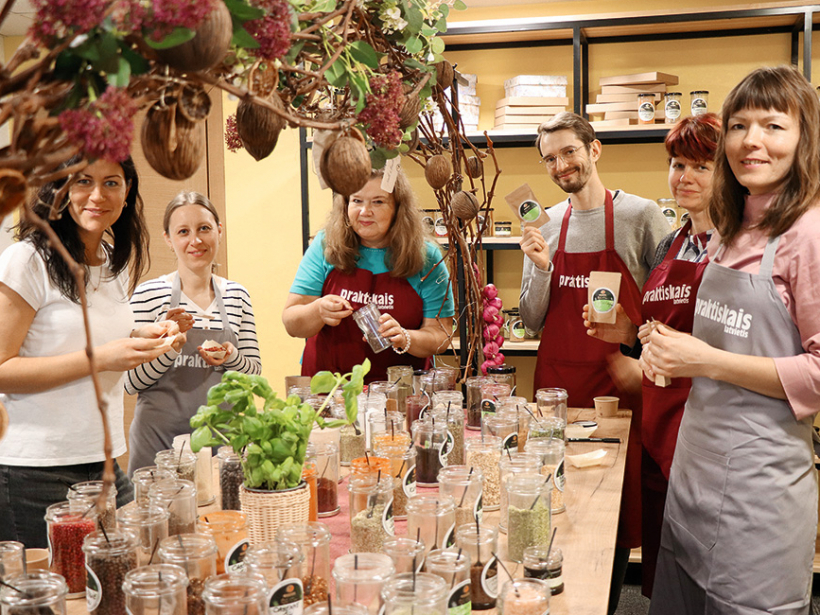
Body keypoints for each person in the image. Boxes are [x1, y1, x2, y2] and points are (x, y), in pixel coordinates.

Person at [643, 66, 820, 614]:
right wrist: (666, 350)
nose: (752, 142)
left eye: (773, 125)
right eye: (740, 125)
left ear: (805, 137)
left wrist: (706, 360)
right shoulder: (731, 227)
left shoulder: (808, 236)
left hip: (756, 496)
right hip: (694, 474)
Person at [519, 111, 670, 613]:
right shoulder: (544, 224)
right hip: (556, 388)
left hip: (618, 389)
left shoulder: (641, 216)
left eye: (569, 152)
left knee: (618, 509)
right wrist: (541, 268)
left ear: (594, 149)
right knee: (558, 503)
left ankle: (604, 602)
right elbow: (532, 320)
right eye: (550, 158)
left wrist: (641, 351)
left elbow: (669, 304)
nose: (561, 165)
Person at [0, 156, 179, 546]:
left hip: (105, 461)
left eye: (111, 183)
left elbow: (87, 335)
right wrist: (101, 359)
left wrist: (145, 334)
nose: (97, 196)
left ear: (127, 191)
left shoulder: (111, 260)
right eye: (82, 181)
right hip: (35, 471)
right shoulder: (27, 260)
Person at [583, 113, 721, 598]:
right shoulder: (671, 242)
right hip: (660, 423)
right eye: (676, 163)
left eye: (701, 167)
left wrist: (649, 361)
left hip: (709, 429)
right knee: (670, 574)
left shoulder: (737, 249)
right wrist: (626, 332)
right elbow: (655, 335)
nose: (684, 177)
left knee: (712, 573)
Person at [126, 191, 261, 474]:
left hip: (224, 444)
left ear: (219, 231)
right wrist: (170, 348)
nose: (195, 241)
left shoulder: (237, 295)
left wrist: (230, 357)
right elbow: (130, 383)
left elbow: (253, 377)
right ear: (168, 238)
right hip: (157, 447)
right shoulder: (148, 295)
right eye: (183, 232)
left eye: (204, 229)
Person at [283, 167, 454, 383]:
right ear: (345, 204)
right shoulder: (326, 245)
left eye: (378, 202)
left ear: (398, 208)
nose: (365, 211)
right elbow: (291, 322)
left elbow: (441, 335)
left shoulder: (426, 257)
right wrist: (317, 311)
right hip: (329, 391)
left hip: (399, 392)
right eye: (357, 201)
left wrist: (406, 337)